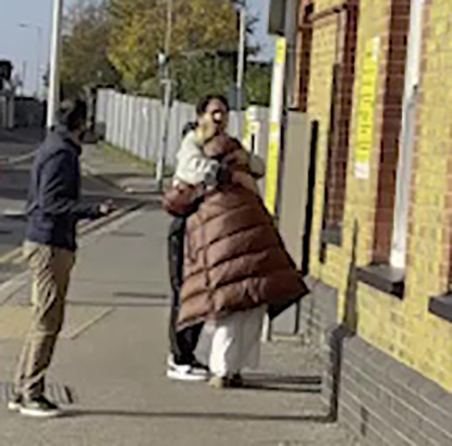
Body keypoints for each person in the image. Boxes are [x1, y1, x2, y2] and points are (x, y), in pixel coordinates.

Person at [176, 133, 309, 389]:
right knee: (245, 309)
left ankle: (224, 369)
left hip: (229, 248)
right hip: (244, 245)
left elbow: (176, 200)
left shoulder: (220, 174)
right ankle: (231, 368)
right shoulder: (238, 178)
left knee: (235, 310)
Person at [8, 100, 113, 418]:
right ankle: (32, 392)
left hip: (46, 240)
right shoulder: (61, 153)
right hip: (50, 243)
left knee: (43, 319)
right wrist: (93, 210)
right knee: (47, 321)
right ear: (80, 123)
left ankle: (22, 387)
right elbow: (50, 202)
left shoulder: (54, 147)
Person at [166, 95, 265, 381]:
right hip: (187, 223)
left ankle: (187, 354)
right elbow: (192, 170)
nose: (219, 118)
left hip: (209, 228)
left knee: (201, 289)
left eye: (223, 113)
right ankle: (179, 357)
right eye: (214, 113)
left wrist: (245, 160)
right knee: (185, 290)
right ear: (200, 115)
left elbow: (259, 167)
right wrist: (230, 173)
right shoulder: (193, 142)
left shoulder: (228, 143)